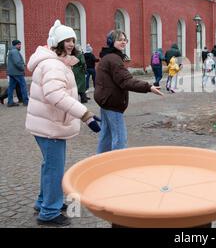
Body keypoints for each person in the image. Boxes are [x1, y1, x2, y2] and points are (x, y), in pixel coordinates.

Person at [25, 20, 101, 227]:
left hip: (49, 123)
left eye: (72, 40)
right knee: (54, 168)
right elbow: (55, 95)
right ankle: (49, 212)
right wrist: (85, 115)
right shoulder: (53, 65)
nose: (70, 44)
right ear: (56, 43)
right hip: (50, 125)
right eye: (66, 40)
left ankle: (44, 202)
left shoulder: (57, 62)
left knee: (49, 166)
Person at [94, 30, 163, 153]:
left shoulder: (108, 56)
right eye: (119, 39)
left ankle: (100, 163)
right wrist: (148, 87)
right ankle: (117, 165)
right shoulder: (114, 59)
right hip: (112, 103)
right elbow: (126, 81)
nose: (123, 42)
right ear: (111, 42)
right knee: (120, 138)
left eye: (124, 39)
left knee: (106, 136)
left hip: (105, 101)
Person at [6, 39, 29, 107]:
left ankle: (10, 102)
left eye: (20, 44)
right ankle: (26, 101)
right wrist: (22, 68)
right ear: (15, 45)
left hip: (12, 72)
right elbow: (17, 62)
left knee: (11, 87)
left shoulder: (11, 51)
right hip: (17, 72)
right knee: (23, 86)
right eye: (18, 44)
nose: (20, 46)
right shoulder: (15, 51)